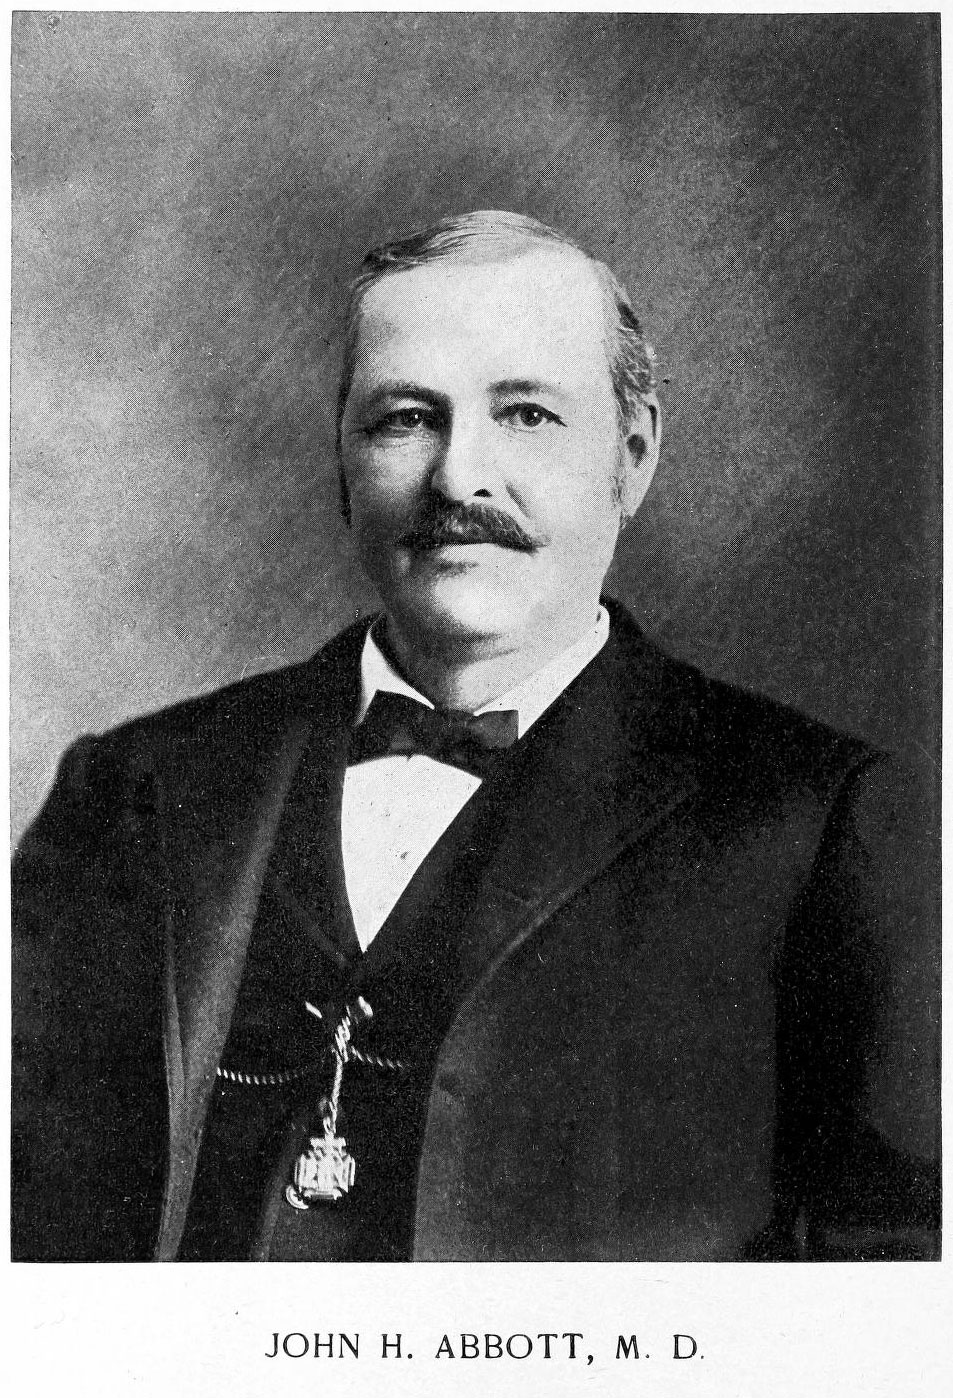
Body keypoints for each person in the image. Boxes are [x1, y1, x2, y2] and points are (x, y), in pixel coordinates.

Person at [12, 210, 939, 1262]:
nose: (460, 478)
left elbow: (883, 1294)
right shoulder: (130, 789)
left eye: (527, 415)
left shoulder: (811, 819)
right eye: (406, 419)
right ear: (341, 464)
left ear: (631, 457)